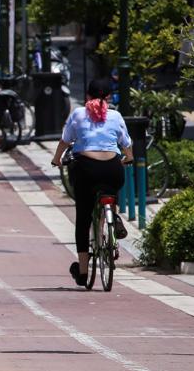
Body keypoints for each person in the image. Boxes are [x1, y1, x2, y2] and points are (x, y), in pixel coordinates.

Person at [52, 79, 133, 287]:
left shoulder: (78, 114)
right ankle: (113, 217)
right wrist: (129, 158)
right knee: (110, 191)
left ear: (87, 96)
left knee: (83, 217)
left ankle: (82, 272)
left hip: (86, 169)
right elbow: (126, 143)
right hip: (112, 169)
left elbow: (65, 140)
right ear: (109, 97)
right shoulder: (115, 115)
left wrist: (56, 159)